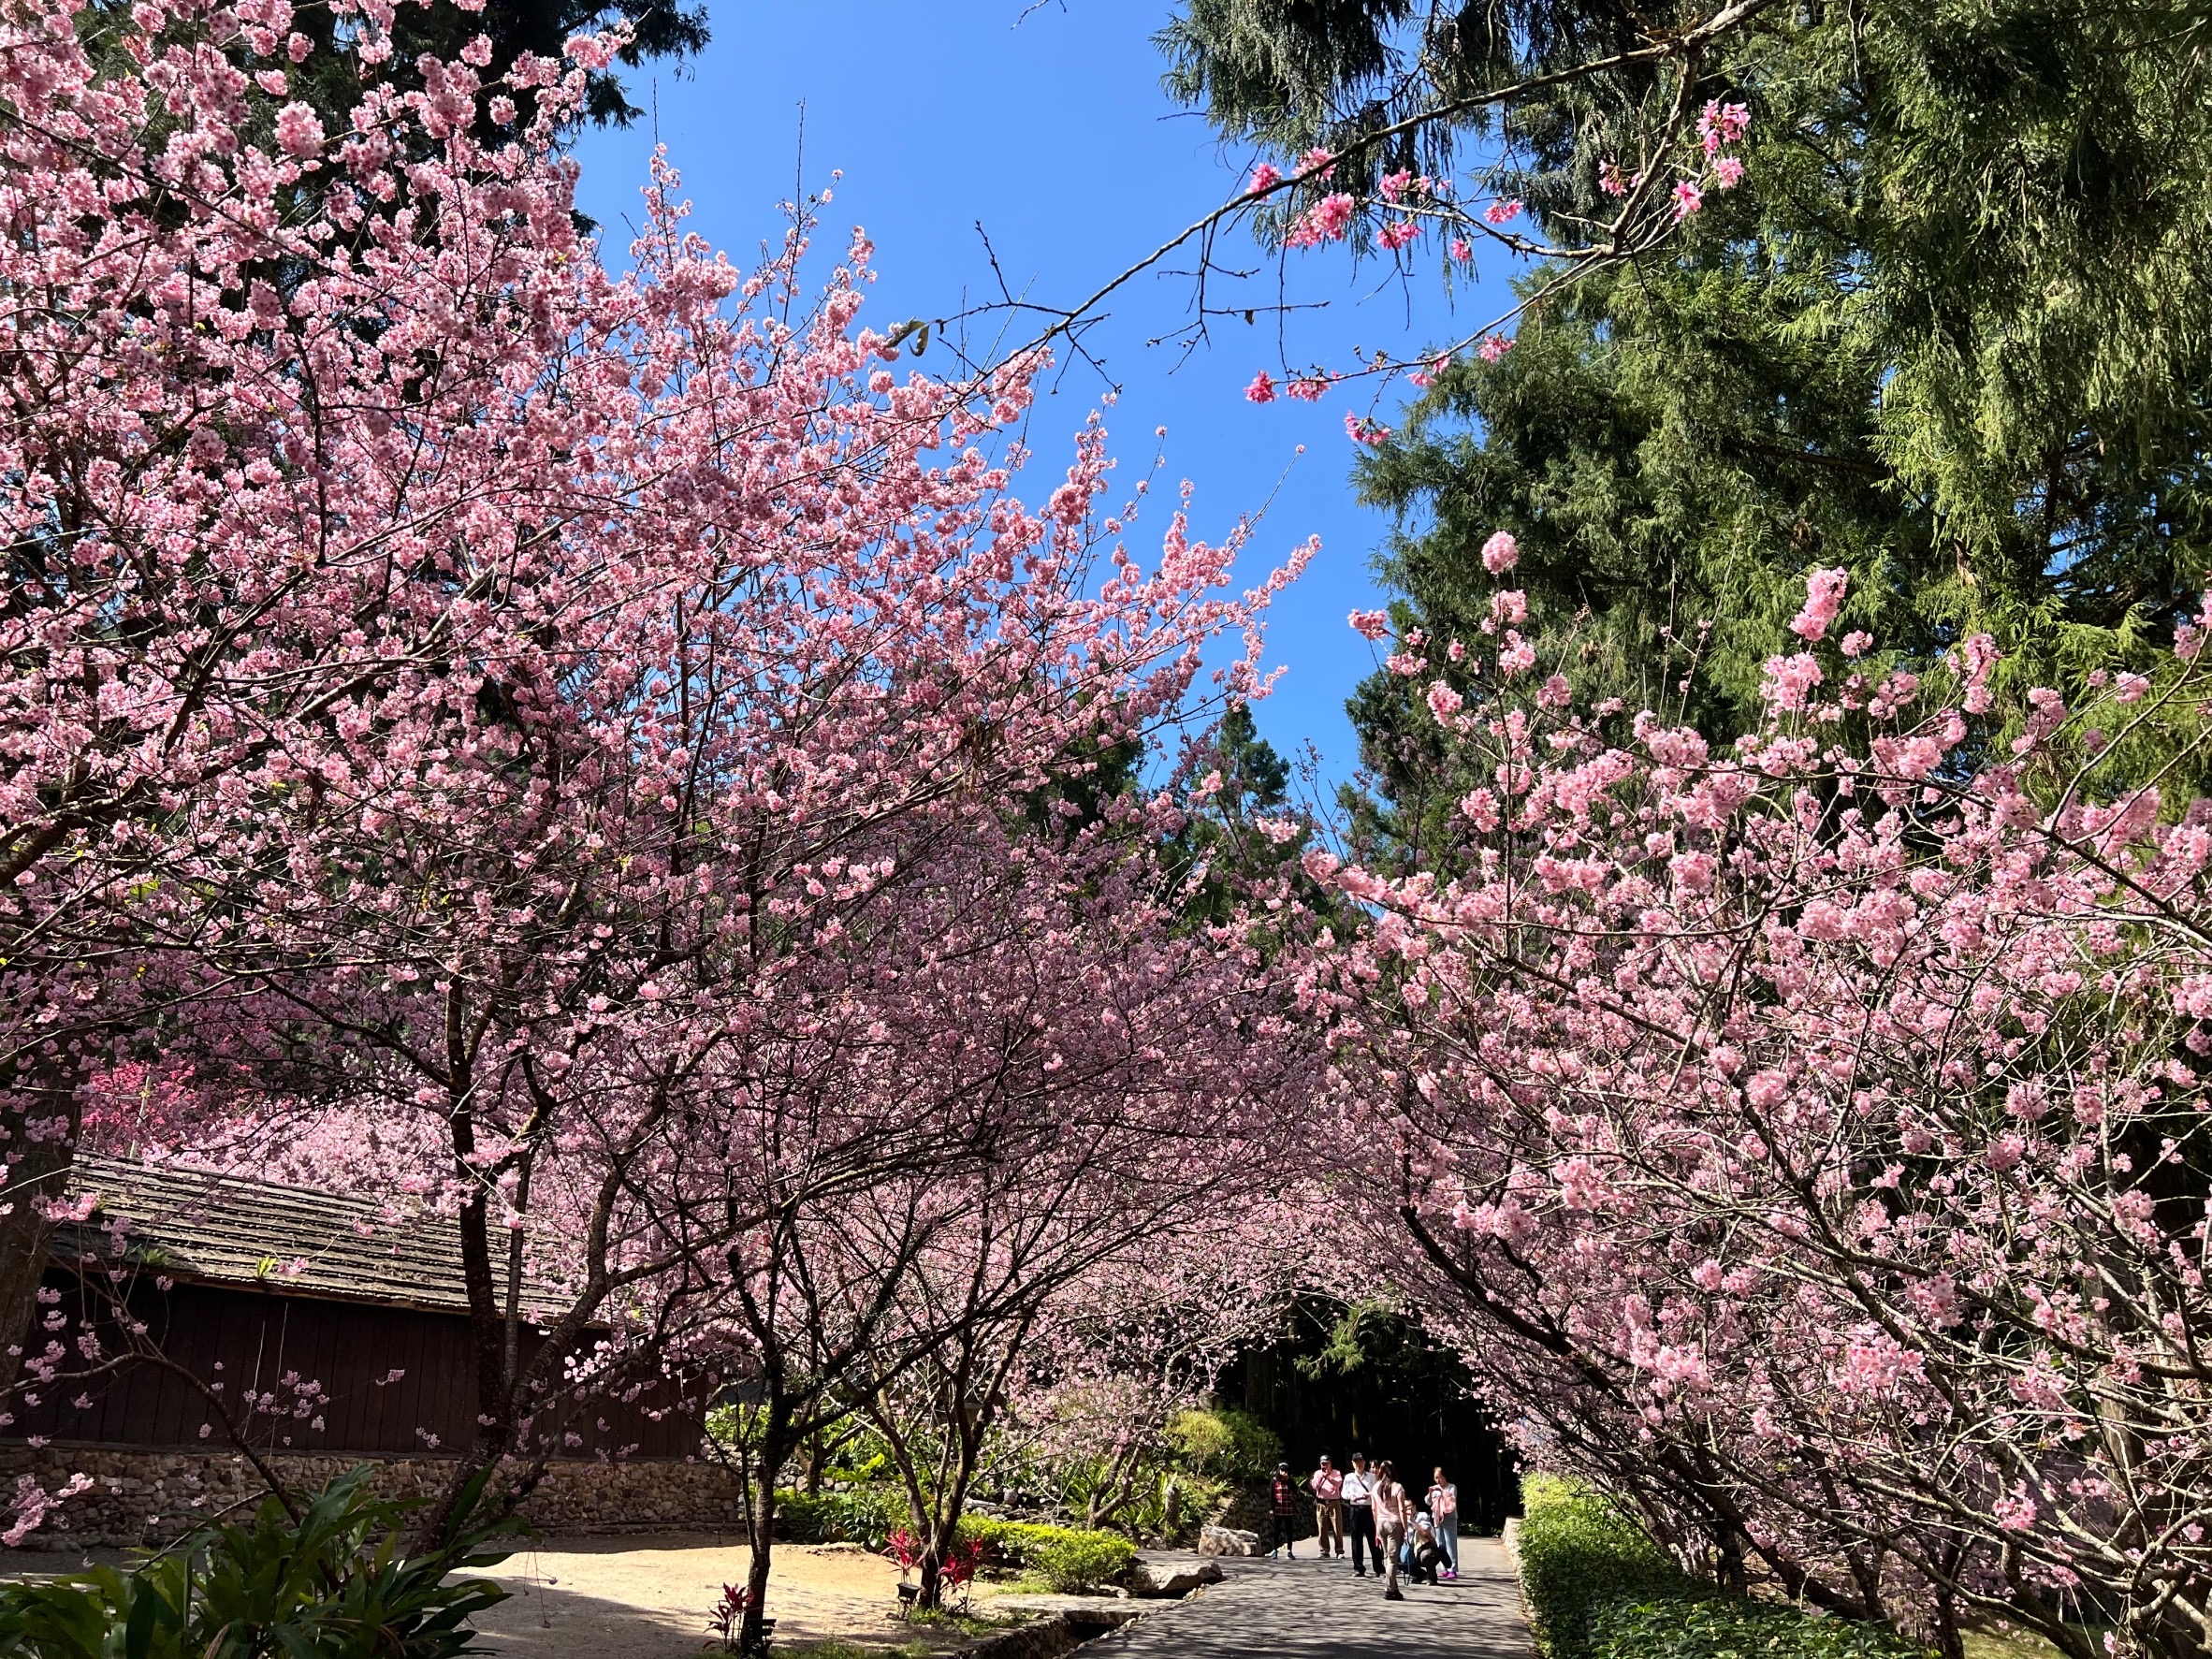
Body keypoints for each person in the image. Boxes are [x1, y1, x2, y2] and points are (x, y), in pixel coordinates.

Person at [1371, 1458, 1411, 1600]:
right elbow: (1402, 1509)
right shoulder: (1398, 1487)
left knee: (1387, 1557)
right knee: (1393, 1560)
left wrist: (1377, 1527)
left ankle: (1395, 1589)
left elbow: (1374, 1509)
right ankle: (1388, 1589)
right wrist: (1405, 1528)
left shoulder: (1375, 1488)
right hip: (1394, 1524)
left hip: (1381, 1523)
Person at [1340, 1451, 1377, 1577]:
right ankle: (1358, 1567)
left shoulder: (1371, 1477)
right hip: (1355, 1509)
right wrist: (1350, 1496)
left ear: (1364, 1462)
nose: (1358, 1464)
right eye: (1356, 1461)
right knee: (1356, 1539)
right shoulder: (1349, 1477)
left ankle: (1378, 1567)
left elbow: (1376, 1491)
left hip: (1369, 1509)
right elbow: (1343, 1493)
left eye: (1360, 1461)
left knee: (1373, 1538)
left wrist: (1369, 1495)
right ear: (1352, 1463)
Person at [1426, 1465, 1460, 1581]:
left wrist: (1441, 1492)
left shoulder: (1452, 1487)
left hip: (1449, 1517)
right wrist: (1430, 1493)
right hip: (1437, 1517)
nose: (1437, 1480)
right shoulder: (1434, 1488)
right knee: (1440, 1544)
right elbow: (1428, 1502)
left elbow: (1451, 1499)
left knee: (1450, 1543)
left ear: (1444, 1476)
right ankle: (1444, 1568)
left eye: (1439, 1477)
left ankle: (1453, 1569)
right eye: (1435, 1477)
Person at [1310, 1454, 1345, 1558]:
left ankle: (1339, 1550)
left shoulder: (1336, 1473)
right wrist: (1321, 1477)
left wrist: (1328, 1477)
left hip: (1334, 1502)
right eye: (1322, 1464)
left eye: (1326, 1463)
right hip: (1321, 1503)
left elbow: (1338, 1484)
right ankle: (1324, 1550)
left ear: (1330, 1464)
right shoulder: (1317, 1473)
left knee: (1337, 1527)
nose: (1324, 1466)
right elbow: (1314, 1486)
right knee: (1322, 1527)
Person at [1268, 1462, 1301, 1559]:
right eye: (1282, 1470)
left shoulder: (1290, 1481)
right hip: (1278, 1509)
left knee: (1289, 1531)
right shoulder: (1274, 1481)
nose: (1284, 1472)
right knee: (1276, 1530)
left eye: (1286, 1470)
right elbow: (1271, 1495)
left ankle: (1289, 1551)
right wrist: (1271, 1509)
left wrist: (1289, 1481)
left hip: (1288, 1509)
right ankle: (1274, 1550)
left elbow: (1295, 1491)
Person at [1406, 1508, 1445, 1585]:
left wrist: (1412, 1521)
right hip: (1409, 1549)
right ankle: (1421, 1575)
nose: (1407, 1509)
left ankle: (1432, 1576)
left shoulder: (1422, 1515)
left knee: (1427, 1554)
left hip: (1425, 1548)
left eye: (1409, 1506)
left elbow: (1424, 1532)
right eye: (1404, 1507)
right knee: (1397, 1557)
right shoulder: (1399, 1517)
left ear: (1414, 1506)